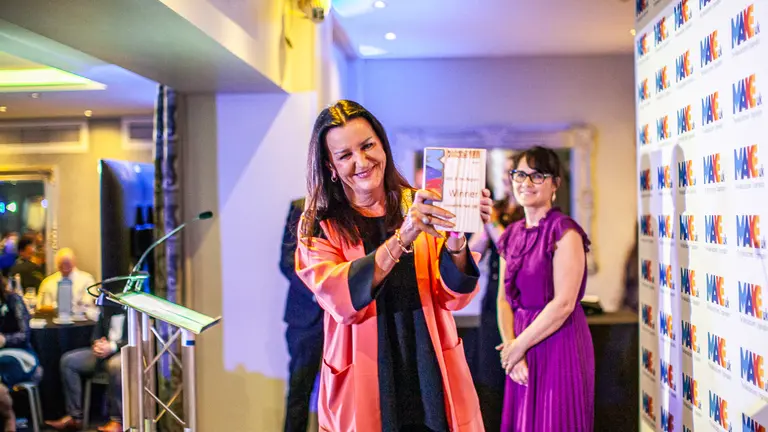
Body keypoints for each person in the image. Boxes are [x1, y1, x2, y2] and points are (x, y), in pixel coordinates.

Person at [295, 100, 492, 432]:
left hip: (428, 365)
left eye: (368, 145)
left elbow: (453, 297)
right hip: (366, 371)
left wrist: (458, 233)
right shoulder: (319, 224)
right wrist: (405, 236)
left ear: (382, 146)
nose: (361, 161)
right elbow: (340, 298)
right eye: (345, 155)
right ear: (330, 166)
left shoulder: (415, 202)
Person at [496, 146, 594, 431]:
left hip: (558, 339)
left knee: (555, 421)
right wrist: (512, 350)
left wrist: (518, 347)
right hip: (520, 343)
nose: (525, 183)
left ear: (555, 184)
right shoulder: (511, 234)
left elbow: (564, 303)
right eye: (520, 174)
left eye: (537, 175)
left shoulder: (565, 231)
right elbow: (503, 300)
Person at [467, 156, 525, 432]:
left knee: (515, 375)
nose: (506, 178)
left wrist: (490, 224)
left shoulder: (529, 212)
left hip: (520, 301)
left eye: (511, 172)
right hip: (492, 300)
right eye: (503, 172)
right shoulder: (498, 209)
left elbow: (509, 248)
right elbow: (474, 252)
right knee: (489, 375)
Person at [280, 197, 324, 432]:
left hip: (344, 320)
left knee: (340, 394)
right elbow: (287, 263)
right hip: (306, 319)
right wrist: (322, 293)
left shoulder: (350, 206)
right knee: (299, 391)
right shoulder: (300, 207)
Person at [46, 303, 126, 432]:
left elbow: (136, 339)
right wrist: (97, 345)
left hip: (124, 352)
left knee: (116, 365)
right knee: (69, 361)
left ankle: (118, 421)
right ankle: (75, 417)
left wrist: (112, 347)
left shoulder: (133, 310)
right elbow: (96, 335)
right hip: (102, 354)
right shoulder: (107, 308)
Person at [0, 275, 39, 432]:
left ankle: (10, 418)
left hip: (20, 355)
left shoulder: (13, 300)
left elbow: (25, 335)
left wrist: (4, 340)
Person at [37, 248, 97, 314]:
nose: (64, 267)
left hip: (82, 323)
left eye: (67, 263)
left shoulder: (87, 280)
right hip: (54, 322)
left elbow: (88, 305)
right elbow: (42, 307)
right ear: (56, 264)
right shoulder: (48, 282)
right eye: (61, 264)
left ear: (74, 262)